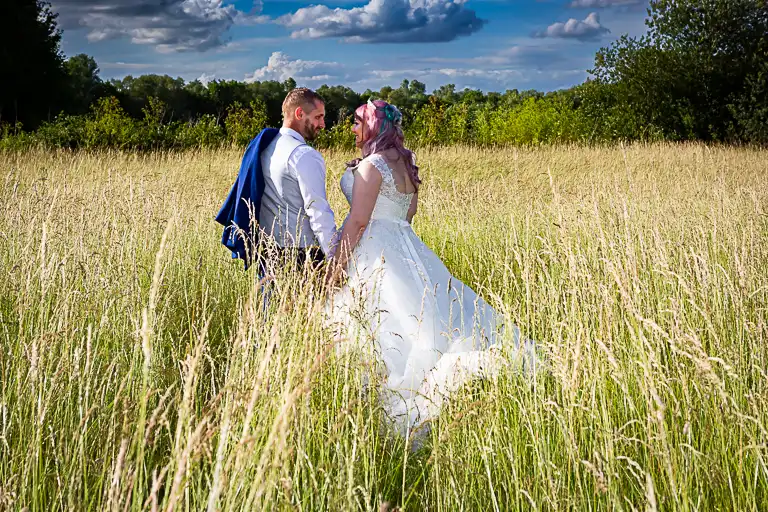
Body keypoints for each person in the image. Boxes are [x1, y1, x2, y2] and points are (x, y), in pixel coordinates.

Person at [325, 99, 539, 445]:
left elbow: (359, 220)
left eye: (356, 121)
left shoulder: (371, 167)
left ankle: (392, 418)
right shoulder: (405, 166)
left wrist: (336, 268)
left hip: (375, 251)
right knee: (421, 321)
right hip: (407, 247)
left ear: (373, 125)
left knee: (384, 329)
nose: (352, 128)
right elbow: (406, 217)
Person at [258, 87, 337, 271]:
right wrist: (334, 258)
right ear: (300, 113)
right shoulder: (304, 155)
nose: (323, 124)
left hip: (268, 254)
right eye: (318, 117)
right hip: (302, 257)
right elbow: (317, 211)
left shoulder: (266, 147)